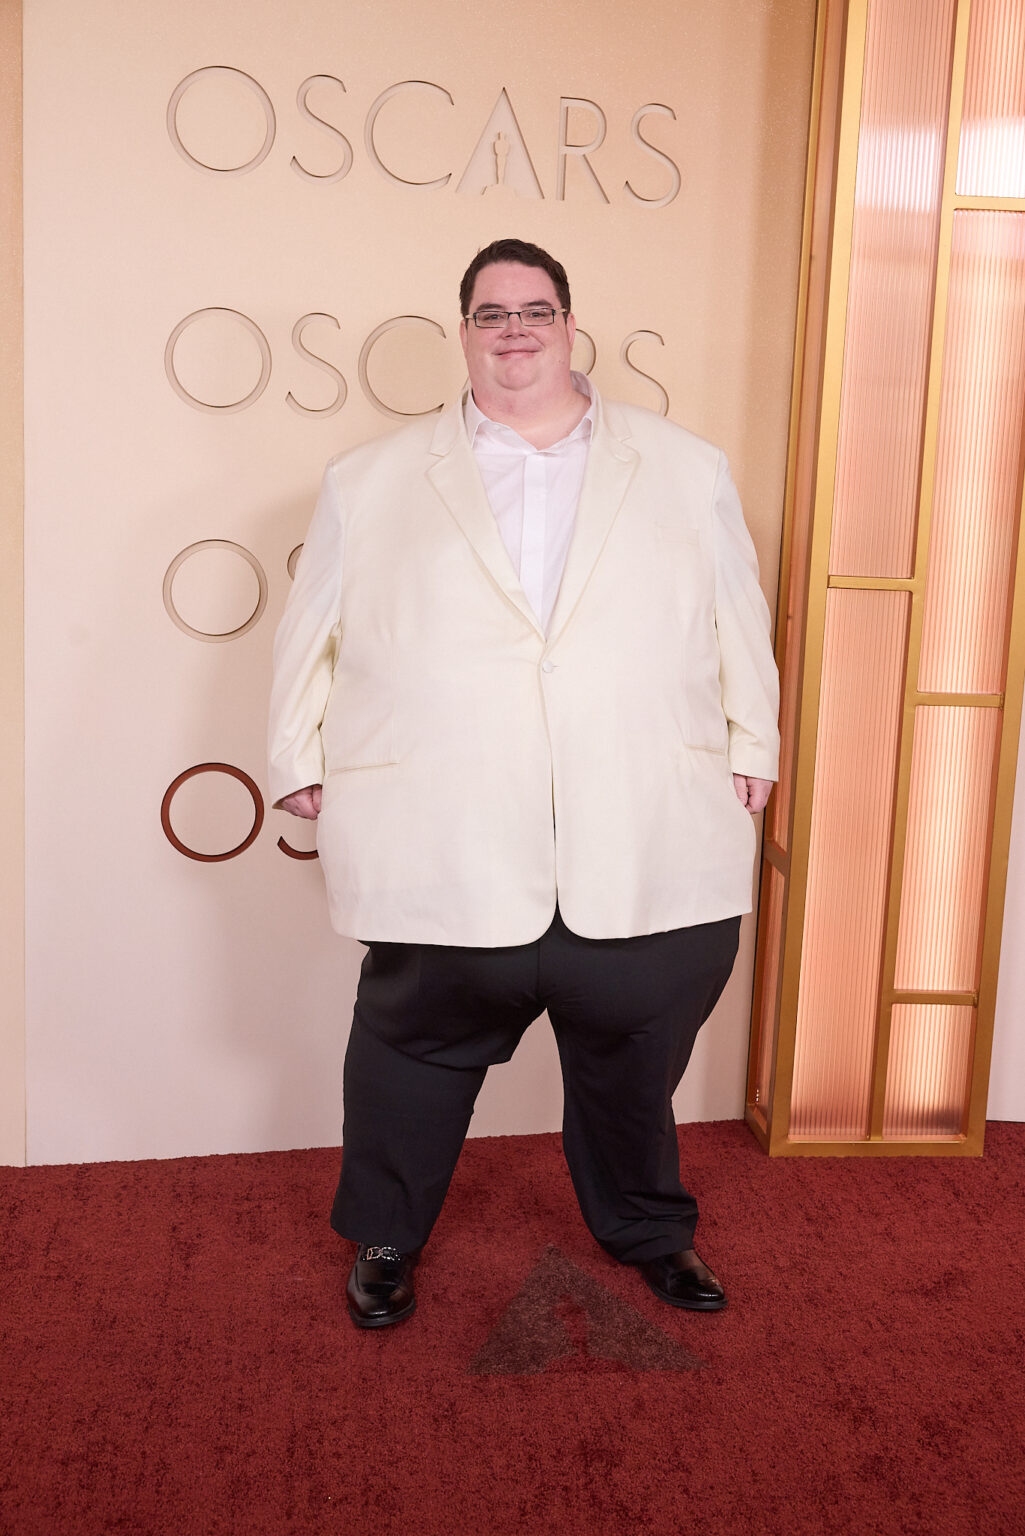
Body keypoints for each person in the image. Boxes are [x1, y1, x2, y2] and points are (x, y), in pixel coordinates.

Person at [268, 238, 779, 1330]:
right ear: (462, 332)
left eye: (533, 311)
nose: (514, 331)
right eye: (490, 314)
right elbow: (310, 633)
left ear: (568, 324)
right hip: (445, 830)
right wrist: (297, 761)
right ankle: (387, 1237)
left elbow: (740, 616)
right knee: (409, 1052)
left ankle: (651, 1232)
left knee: (633, 1062)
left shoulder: (685, 467)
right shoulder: (369, 479)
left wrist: (753, 747)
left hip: (644, 820)